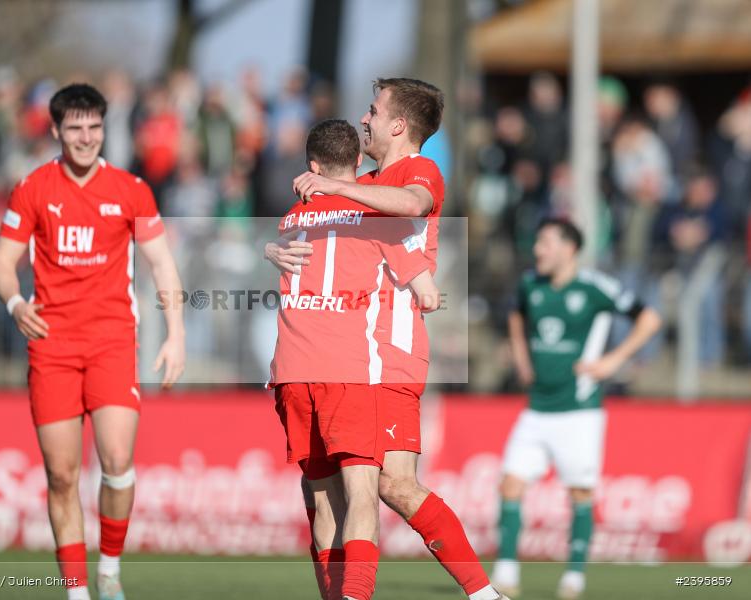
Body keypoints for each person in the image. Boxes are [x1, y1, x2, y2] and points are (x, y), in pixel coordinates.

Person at [272, 77, 503, 600]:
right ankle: (483, 594)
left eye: (374, 110)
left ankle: (481, 593)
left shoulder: (417, 171)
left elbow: (413, 204)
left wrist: (337, 187)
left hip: (385, 354)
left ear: (398, 125)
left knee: (379, 485)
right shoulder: (366, 183)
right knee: (377, 486)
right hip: (354, 350)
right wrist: (275, 247)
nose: (364, 119)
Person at [0, 83, 185, 600]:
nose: (86, 137)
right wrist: (16, 304)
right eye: (75, 128)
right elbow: (3, 262)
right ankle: (77, 593)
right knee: (61, 475)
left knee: (117, 461)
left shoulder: (130, 189)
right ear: (56, 130)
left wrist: (176, 334)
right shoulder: (33, 188)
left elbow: (162, 262)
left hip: (112, 342)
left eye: (94, 127)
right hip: (51, 345)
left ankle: (110, 571)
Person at [270, 118, 439, 600]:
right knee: (362, 493)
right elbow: (427, 294)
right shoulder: (379, 218)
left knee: (324, 503)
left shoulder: (291, 219)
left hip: (291, 371)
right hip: (349, 370)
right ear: (359, 162)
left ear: (313, 166)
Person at [492, 218, 661, 600]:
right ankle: (505, 575)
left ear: (569, 249)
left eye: (546, 243)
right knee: (510, 484)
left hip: (579, 410)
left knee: (580, 492)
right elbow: (516, 315)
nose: (538, 250)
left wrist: (614, 360)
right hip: (536, 408)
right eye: (537, 243)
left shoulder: (595, 287)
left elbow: (650, 319)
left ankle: (574, 578)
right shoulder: (530, 284)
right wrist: (521, 357)